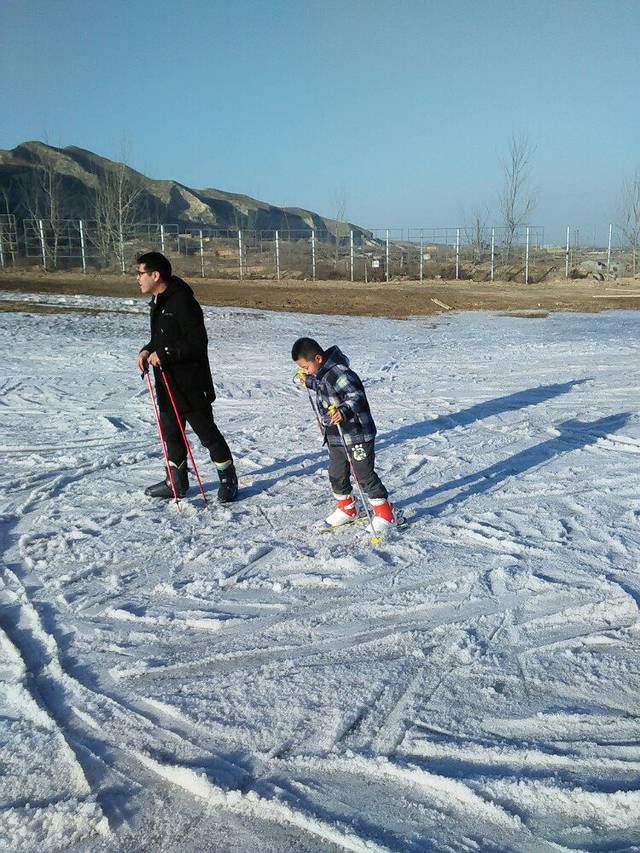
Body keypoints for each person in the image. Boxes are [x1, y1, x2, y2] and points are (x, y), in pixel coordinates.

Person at [135, 252, 238, 502]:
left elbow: (196, 342)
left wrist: (165, 353)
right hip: (166, 383)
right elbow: (162, 338)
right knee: (171, 434)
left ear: (155, 275)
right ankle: (176, 482)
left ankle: (228, 479)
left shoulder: (182, 302)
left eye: (140, 273)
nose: (137, 279)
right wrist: (148, 350)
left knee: (207, 434)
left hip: (190, 385)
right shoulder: (159, 301)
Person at [292, 337, 395, 533]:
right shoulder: (321, 373)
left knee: (363, 474)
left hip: (356, 434)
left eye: (306, 367)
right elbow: (322, 384)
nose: (305, 371)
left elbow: (356, 395)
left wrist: (344, 410)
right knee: (336, 473)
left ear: (318, 358)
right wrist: (309, 381)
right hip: (336, 435)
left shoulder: (340, 373)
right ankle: (347, 508)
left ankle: (385, 513)